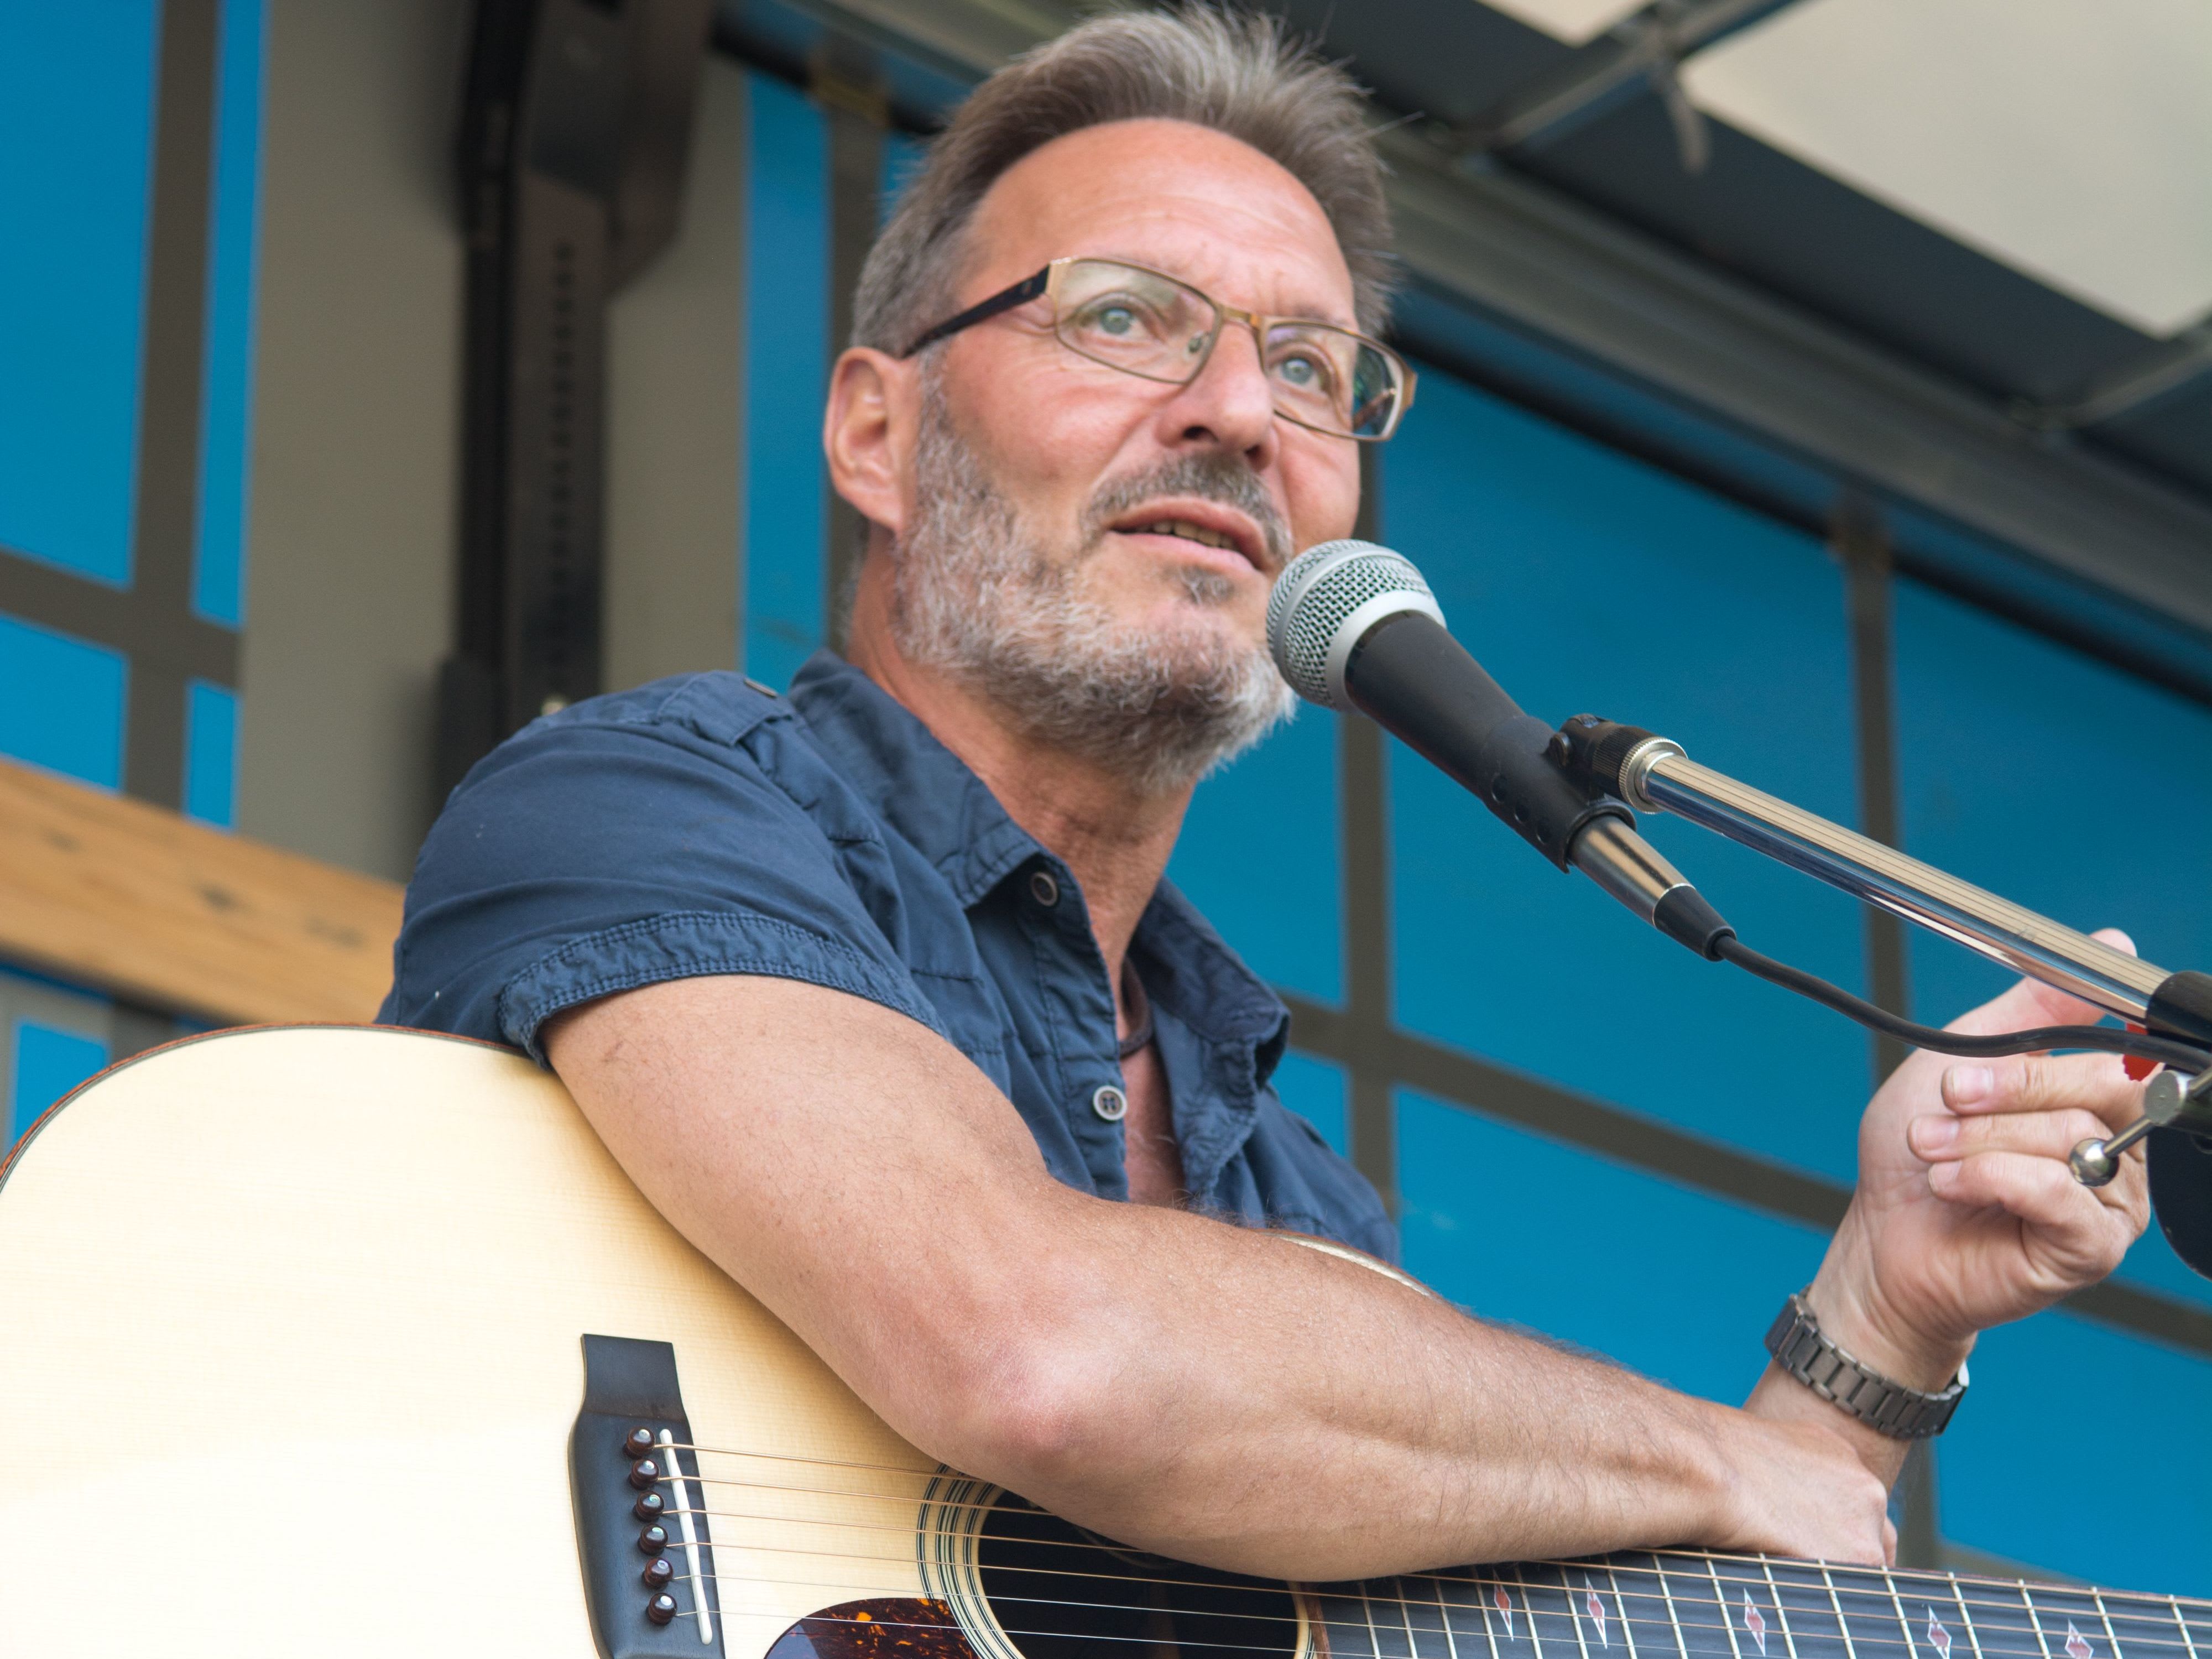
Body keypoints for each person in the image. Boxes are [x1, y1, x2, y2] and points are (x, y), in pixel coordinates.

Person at [382, 8, 2148, 1581]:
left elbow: (1679, 1586)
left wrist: (1883, 1312)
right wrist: (1717, 1457)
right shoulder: (642, 797)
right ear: (878, 434)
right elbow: (1038, 1351)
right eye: (1124, 316)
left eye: (1310, 366)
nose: (1240, 411)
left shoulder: (1300, 1205)